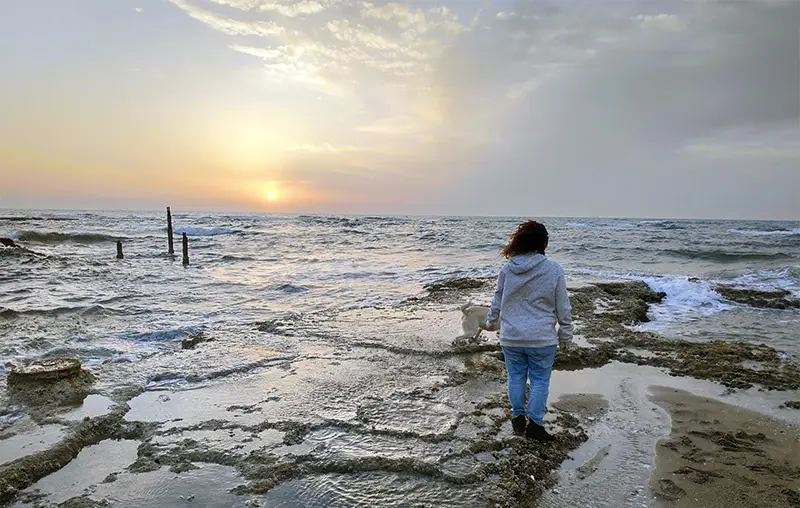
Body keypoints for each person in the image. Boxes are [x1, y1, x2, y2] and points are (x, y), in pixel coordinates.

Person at [485, 220, 573, 441]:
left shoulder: (507, 269)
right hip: (542, 339)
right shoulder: (553, 269)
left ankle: (517, 418)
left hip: (512, 337)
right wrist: (566, 336)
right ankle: (535, 425)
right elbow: (563, 306)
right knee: (539, 381)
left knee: (515, 377)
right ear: (543, 243)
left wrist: (491, 321)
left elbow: (498, 299)